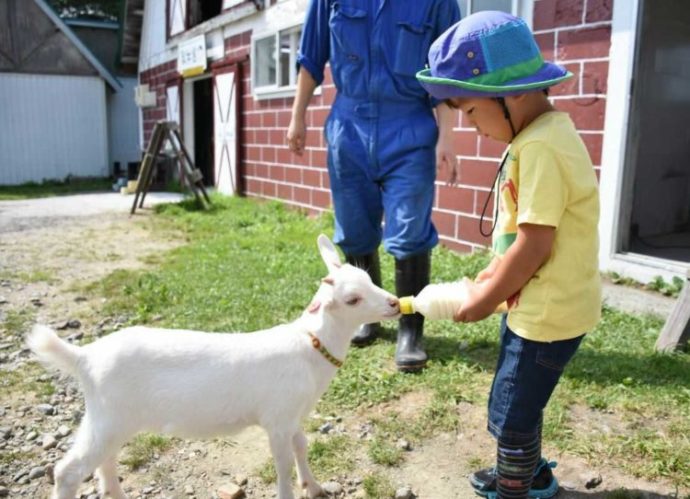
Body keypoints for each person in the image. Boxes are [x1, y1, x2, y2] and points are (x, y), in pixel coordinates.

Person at [417, 11, 601, 499]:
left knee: (512, 409)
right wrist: (497, 273)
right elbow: (523, 233)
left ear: (512, 93)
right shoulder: (541, 136)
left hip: (546, 311)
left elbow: (536, 244)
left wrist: (482, 299)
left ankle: (515, 485)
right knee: (521, 395)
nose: (471, 127)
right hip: (538, 304)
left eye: (472, 111)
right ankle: (532, 473)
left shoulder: (540, 148)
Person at [287, 0, 461, 372]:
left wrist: (447, 136)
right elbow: (311, 56)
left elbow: (444, 72)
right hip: (349, 128)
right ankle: (367, 315)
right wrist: (297, 116)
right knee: (354, 230)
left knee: (410, 231)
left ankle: (410, 328)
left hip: (410, 128)